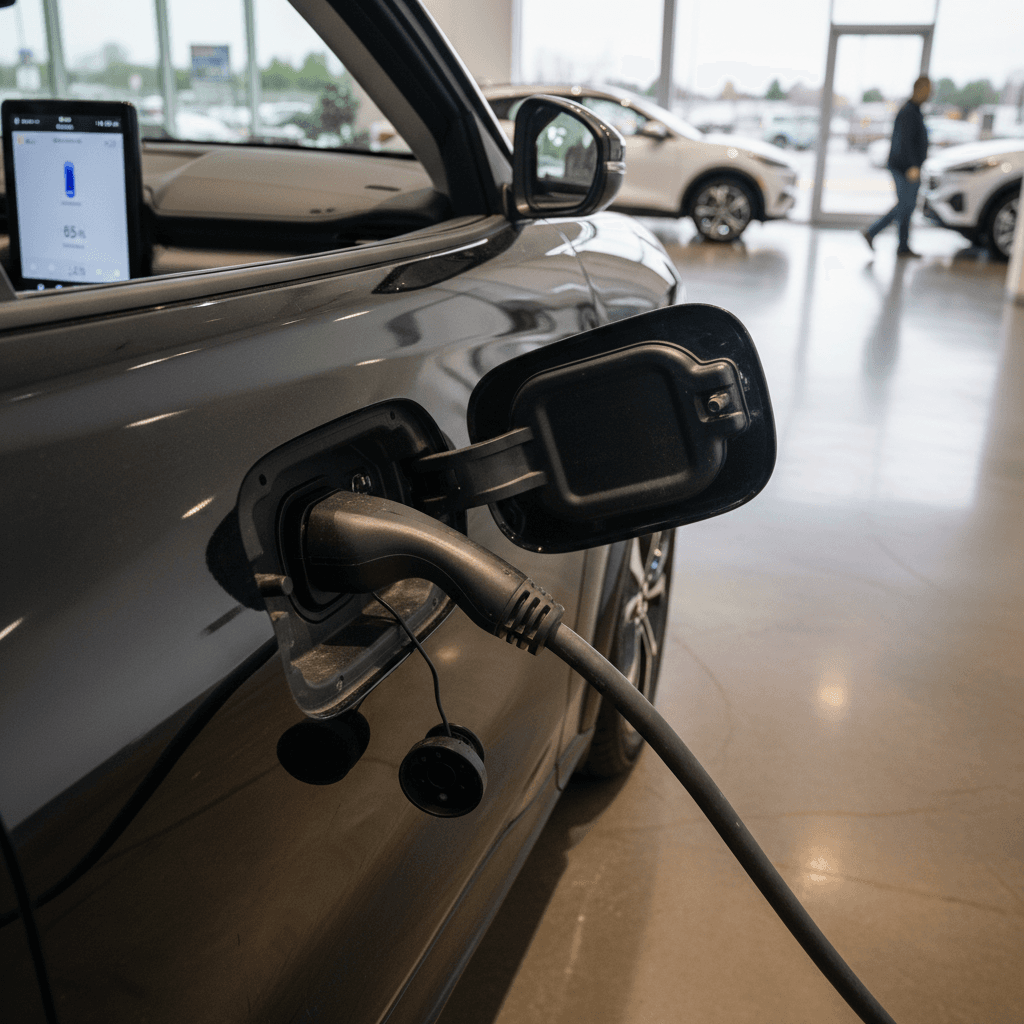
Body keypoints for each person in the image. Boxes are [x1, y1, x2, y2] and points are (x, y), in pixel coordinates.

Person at [862, 76, 931, 257]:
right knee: (905, 206)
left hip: (909, 167)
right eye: (927, 89)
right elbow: (904, 142)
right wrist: (912, 166)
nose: (930, 93)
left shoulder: (915, 111)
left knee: (906, 206)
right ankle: (873, 232)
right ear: (919, 89)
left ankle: (901, 245)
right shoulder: (908, 112)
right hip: (904, 168)